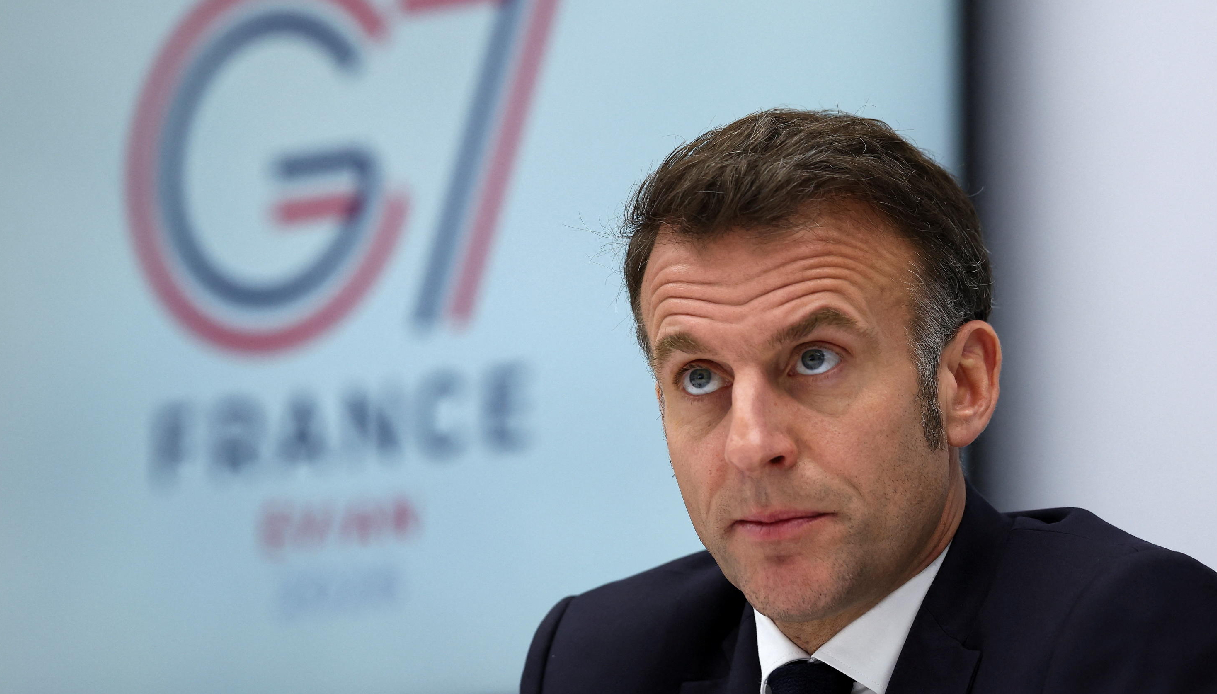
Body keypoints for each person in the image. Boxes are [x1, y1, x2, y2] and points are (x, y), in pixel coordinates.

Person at [519, 109, 1217, 694]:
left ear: (963, 384)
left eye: (814, 359)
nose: (751, 445)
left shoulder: (1130, 633)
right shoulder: (594, 660)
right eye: (700, 377)